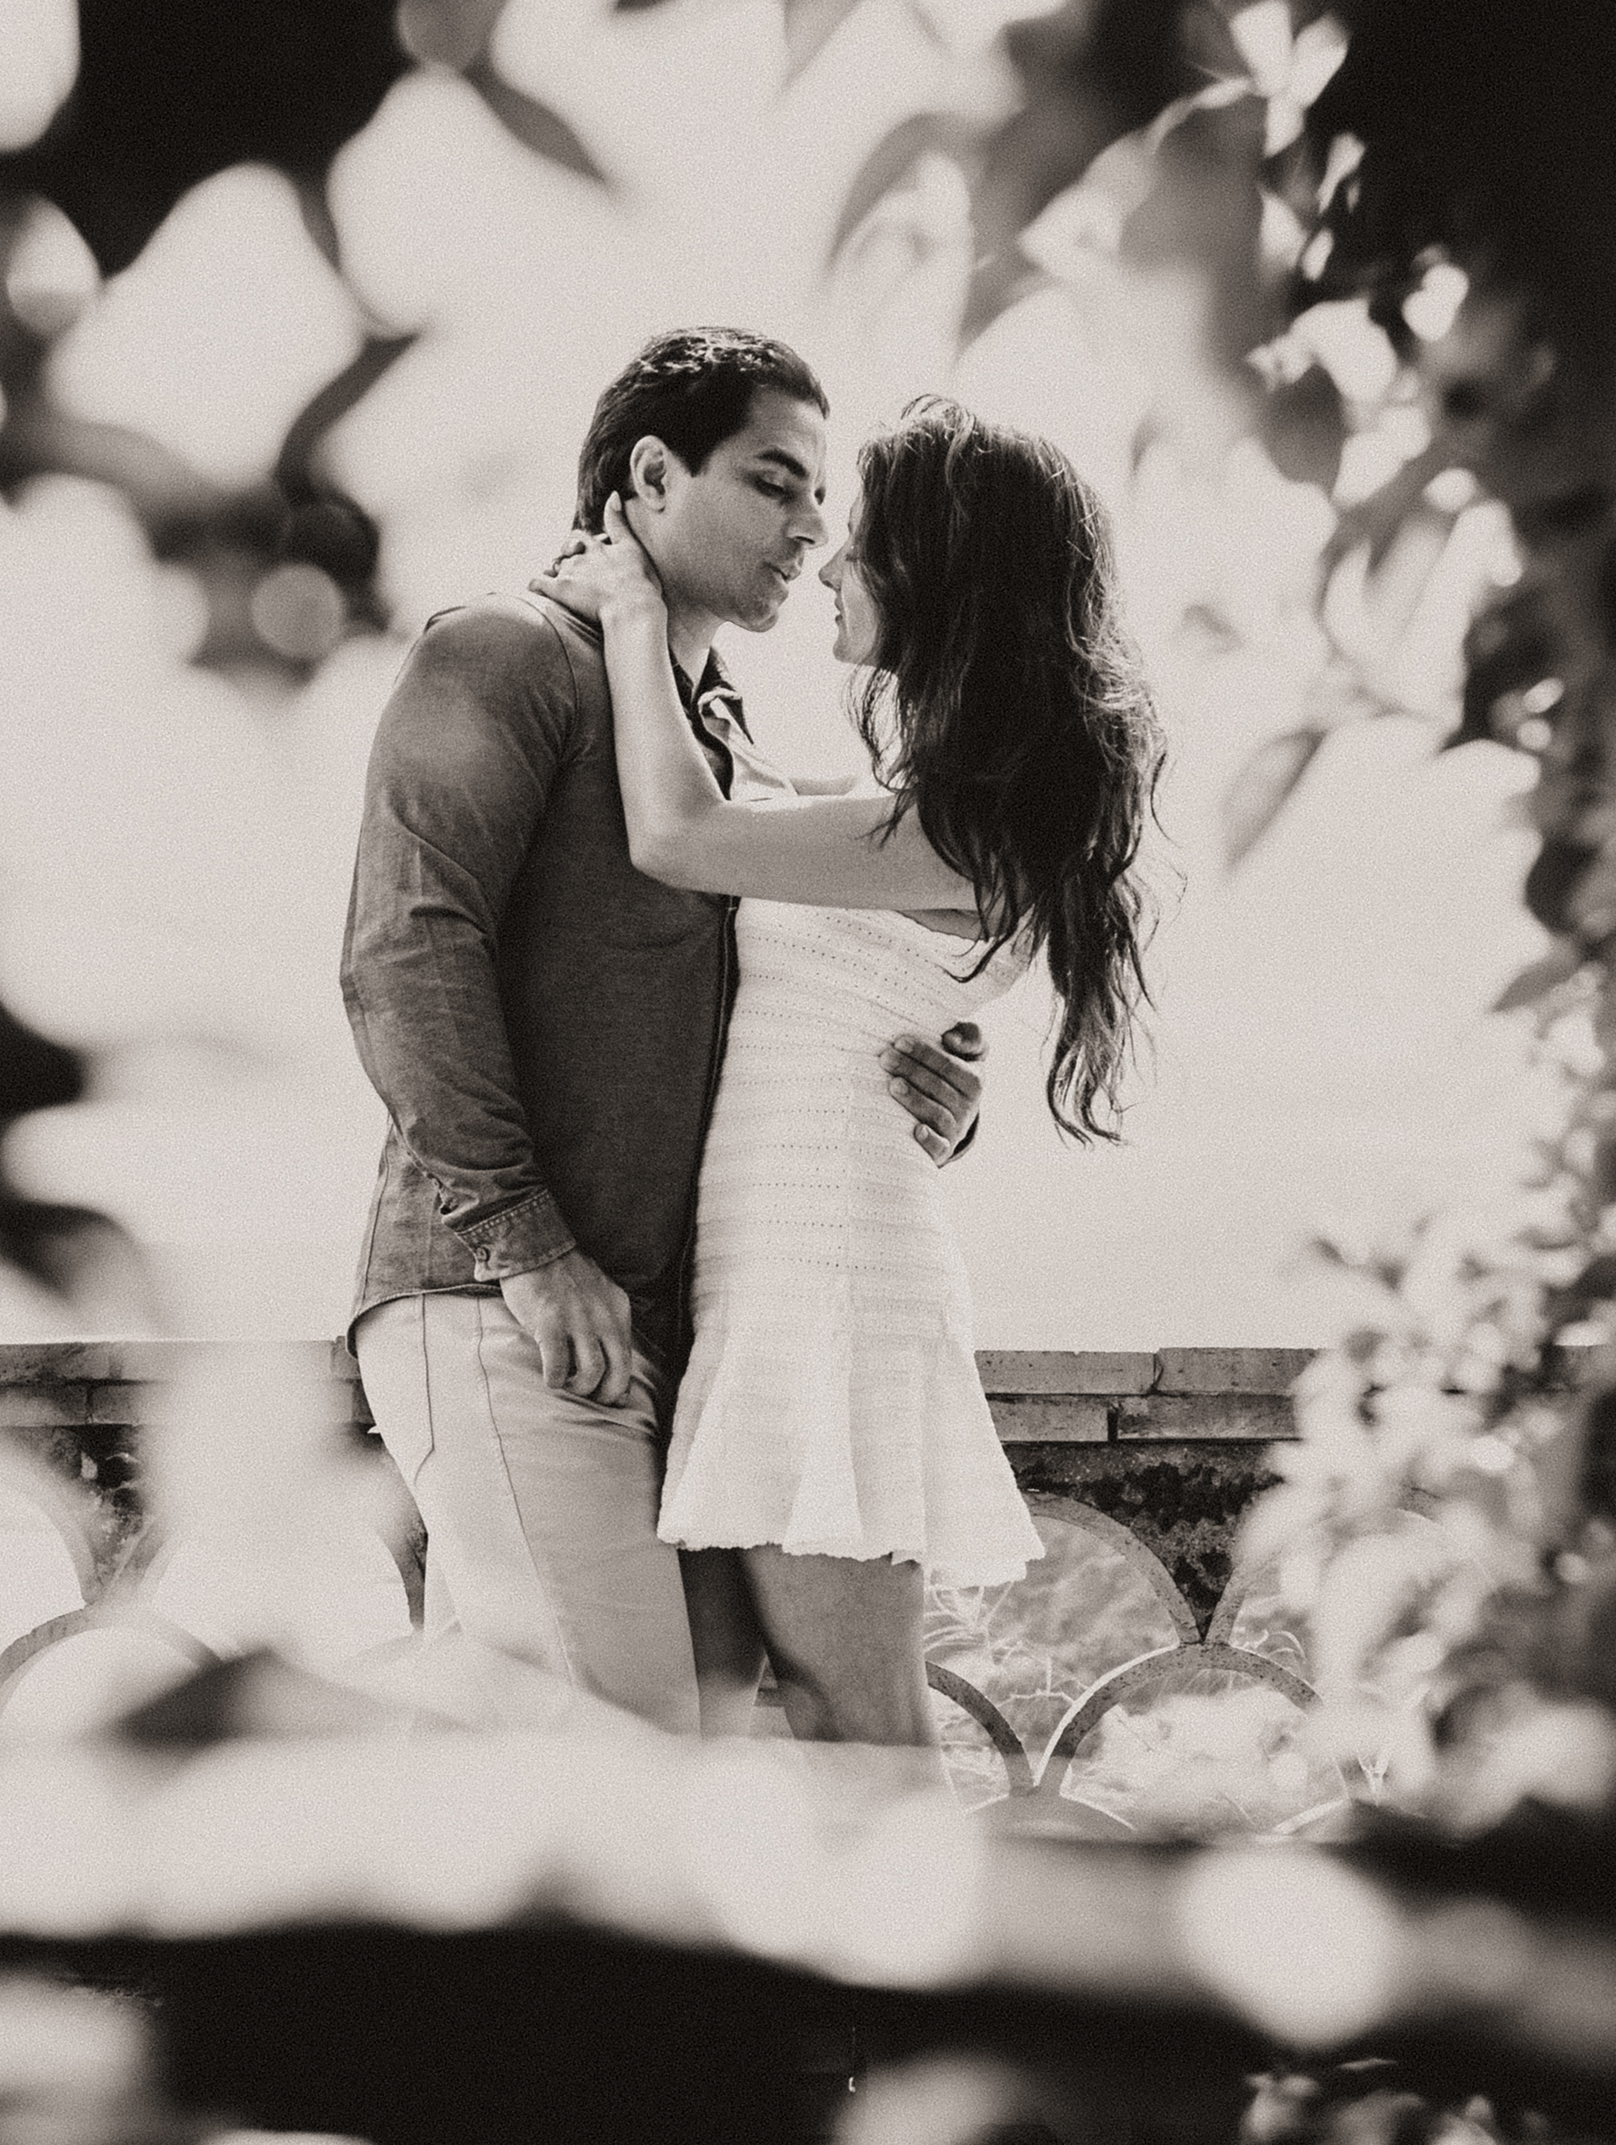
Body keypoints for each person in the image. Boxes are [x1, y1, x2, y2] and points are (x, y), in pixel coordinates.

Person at [338, 328, 990, 1736]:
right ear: (650, 475)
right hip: (501, 1299)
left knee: (668, 1727)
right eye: (775, 482)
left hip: (666, 1334)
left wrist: (930, 1074)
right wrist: (530, 1244)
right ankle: (274, 1740)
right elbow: (404, 952)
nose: (814, 529)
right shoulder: (501, 652)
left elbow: (800, 983)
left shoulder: (707, 732)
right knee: (627, 1748)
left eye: (820, 498)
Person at [529, 394, 1162, 1748]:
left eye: (859, 544)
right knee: (753, 1714)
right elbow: (851, 959)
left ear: (939, 586)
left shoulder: (956, 828)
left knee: (858, 1715)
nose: (824, 561)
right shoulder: (920, 809)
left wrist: (636, 617)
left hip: (828, 1283)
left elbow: (684, 837)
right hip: (779, 1265)